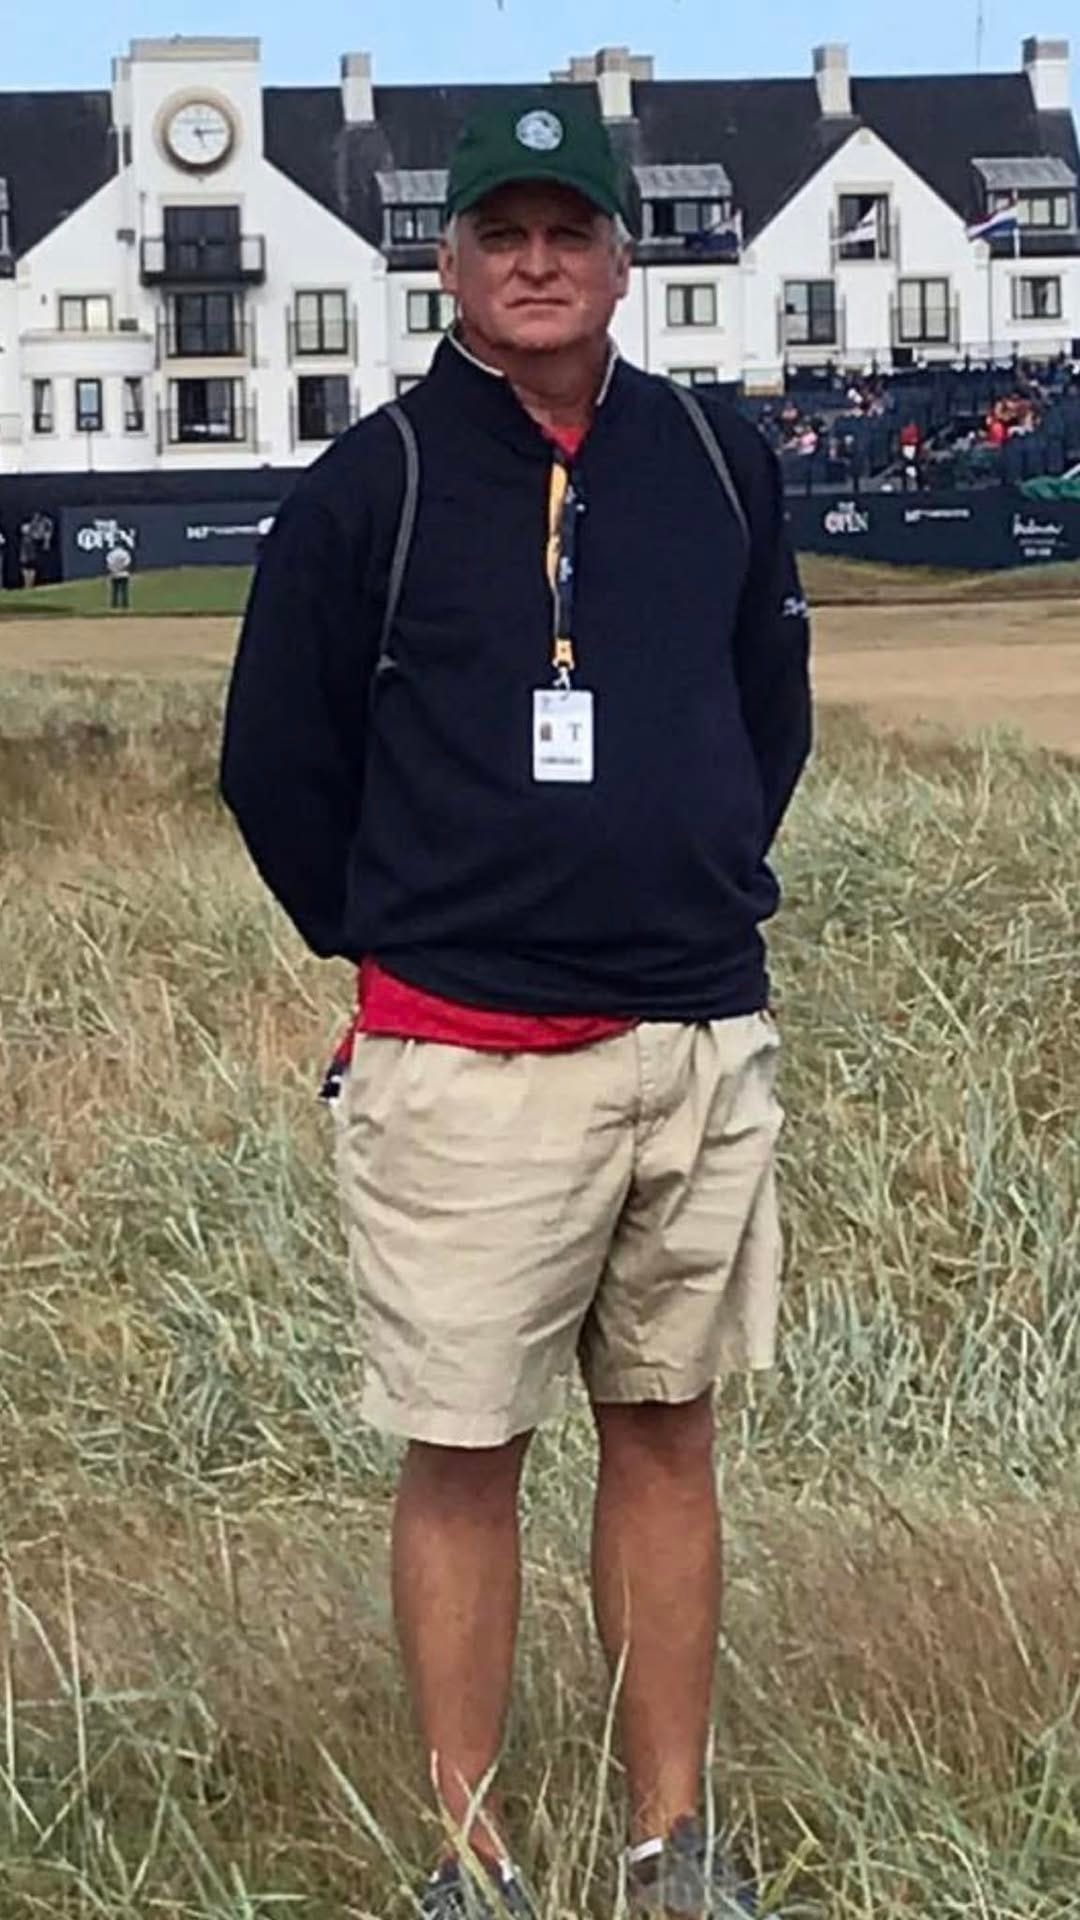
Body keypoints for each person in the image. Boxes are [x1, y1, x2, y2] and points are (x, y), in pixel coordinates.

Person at [221, 96, 811, 1920]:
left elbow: (766, 714)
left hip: (692, 1043)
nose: (538, 263)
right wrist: (408, 937)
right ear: (451, 263)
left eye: (571, 231)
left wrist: (686, 880)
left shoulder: (715, 457)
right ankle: (470, 1858)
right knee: (466, 1451)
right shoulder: (374, 483)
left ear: (625, 260)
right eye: (503, 234)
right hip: (465, 1063)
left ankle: (669, 1846)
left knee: (671, 1434)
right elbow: (275, 763)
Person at [105, 541, 133, 610]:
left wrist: (114, 569)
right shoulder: (125, 553)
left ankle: (114, 605)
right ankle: (125, 605)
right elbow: (127, 563)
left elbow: (109, 564)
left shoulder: (111, 554)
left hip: (114, 574)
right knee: (124, 590)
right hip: (124, 574)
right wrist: (122, 568)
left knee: (115, 590)